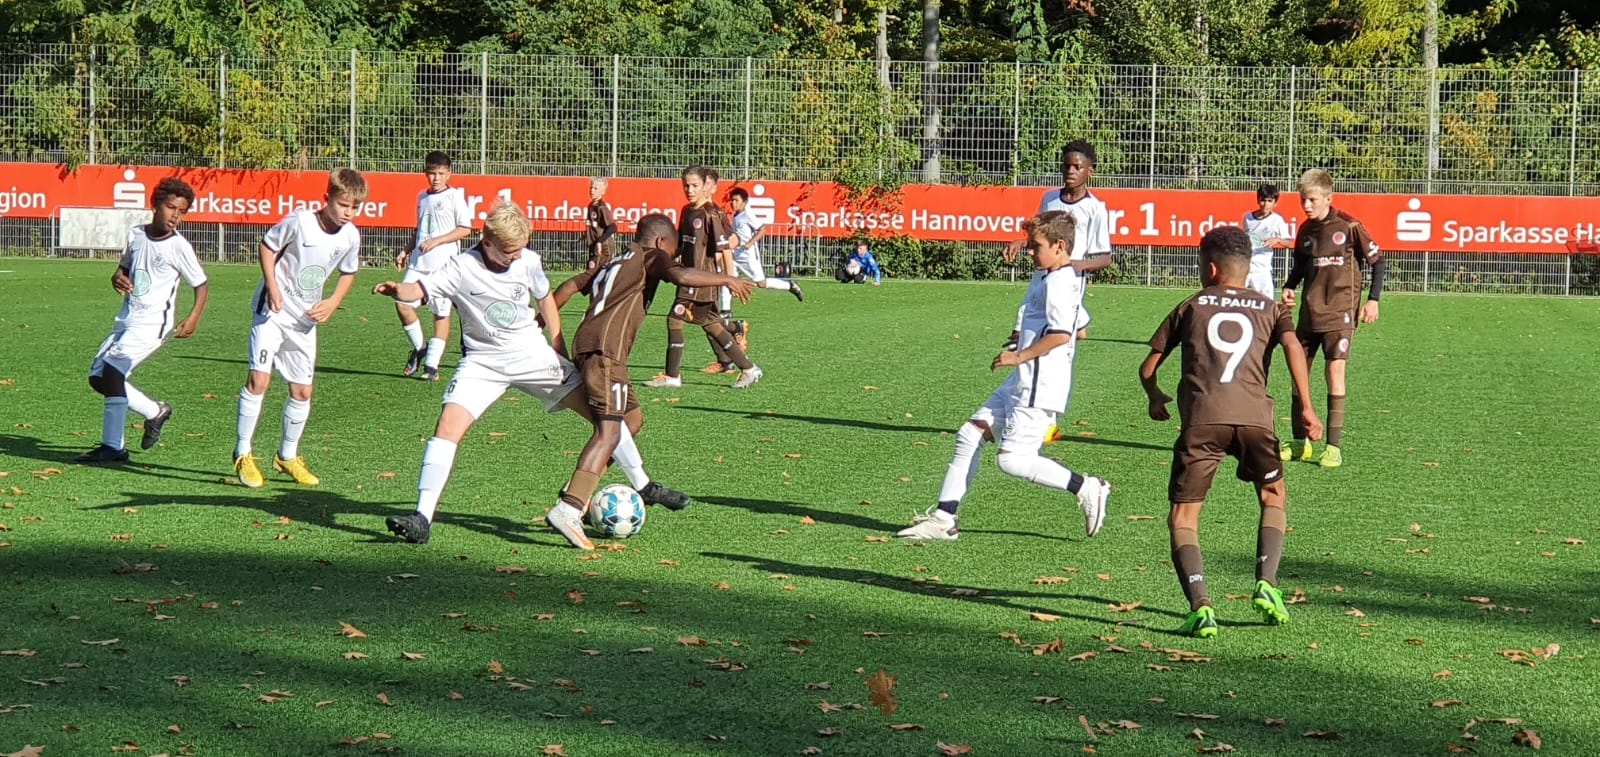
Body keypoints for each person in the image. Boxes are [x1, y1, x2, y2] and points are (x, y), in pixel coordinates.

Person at [373, 203, 692, 545]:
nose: (516, 256)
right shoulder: (461, 267)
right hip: (483, 363)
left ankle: (643, 484)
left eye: (520, 249)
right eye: (509, 251)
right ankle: (422, 518)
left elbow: (546, 300)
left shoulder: (527, 260)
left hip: (533, 356)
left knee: (606, 420)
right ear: (488, 241)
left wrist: (557, 344)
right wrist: (399, 291)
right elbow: (418, 290)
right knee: (447, 427)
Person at [1140, 226, 1324, 639]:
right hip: (1256, 419)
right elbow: (1293, 347)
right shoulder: (1271, 308)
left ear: (1209, 268)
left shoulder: (1191, 304)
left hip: (1203, 421)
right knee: (1273, 494)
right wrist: (1307, 407)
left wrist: (1154, 396)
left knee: (1183, 517)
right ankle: (1267, 583)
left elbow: (1148, 368)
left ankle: (1201, 606)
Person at [895, 210, 1110, 542]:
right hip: (1026, 378)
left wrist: (1020, 354)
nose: (1030, 251)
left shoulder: (1059, 282)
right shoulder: (1059, 276)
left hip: (1038, 384)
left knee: (1012, 462)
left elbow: (1062, 335)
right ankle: (943, 519)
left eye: (1036, 245)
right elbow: (1080, 328)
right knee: (970, 434)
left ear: (1059, 246)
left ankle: (1086, 487)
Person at [545, 213, 755, 550]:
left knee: (631, 420)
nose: (671, 257)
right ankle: (569, 508)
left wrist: (540, 318)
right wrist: (726, 280)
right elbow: (679, 275)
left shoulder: (614, 260)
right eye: (672, 250)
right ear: (660, 242)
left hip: (590, 347)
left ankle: (579, 493)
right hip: (606, 351)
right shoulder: (650, 255)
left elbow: (570, 286)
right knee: (608, 431)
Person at [232, 168, 366, 489]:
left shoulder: (351, 236)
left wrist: (333, 301)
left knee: (302, 391)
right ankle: (243, 453)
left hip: (305, 320)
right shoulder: (300, 221)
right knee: (259, 380)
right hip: (273, 311)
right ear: (327, 198)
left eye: (355, 207)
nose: (348, 212)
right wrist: (272, 285)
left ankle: (286, 456)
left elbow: (348, 272)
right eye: (343, 205)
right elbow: (267, 247)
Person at [77, 178, 209, 463]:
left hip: (153, 324)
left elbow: (201, 284)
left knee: (113, 372)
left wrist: (194, 316)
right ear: (155, 205)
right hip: (128, 318)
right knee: (98, 378)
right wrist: (117, 277)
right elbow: (123, 268)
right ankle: (155, 411)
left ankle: (113, 447)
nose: (175, 216)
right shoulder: (136, 234)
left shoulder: (179, 246)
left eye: (182, 212)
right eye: (171, 208)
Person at [1279, 168, 1386, 469]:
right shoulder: (1305, 230)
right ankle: (1300, 442)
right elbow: (1300, 267)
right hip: (1309, 313)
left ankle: (1333, 447)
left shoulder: (1350, 226)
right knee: (1298, 374)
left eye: (1312, 200)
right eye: (1302, 200)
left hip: (1340, 313)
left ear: (1328, 198)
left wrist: (1373, 300)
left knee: (1334, 371)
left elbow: (1378, 262)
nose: (1306, 205)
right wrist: (1289, 286)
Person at [644, 166, 762, 389]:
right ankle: (749, 368)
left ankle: (672, 376)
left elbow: (726, 249)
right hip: (687, 278)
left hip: (701, 280)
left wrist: (731, 279)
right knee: (712, 325)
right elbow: (680, 245)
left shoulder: (711, 214)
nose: (689, 190)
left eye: (694, 185)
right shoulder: (687, 211)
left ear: (704, 186)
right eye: (686, 185)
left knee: (675, 319)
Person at [1006, 141, 1112, 345]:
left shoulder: (1095, 208)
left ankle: (1075, 325)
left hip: (1069, 280)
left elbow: (1105, 258)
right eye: (1067, 166)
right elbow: (1039, 236)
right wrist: (1023, 242)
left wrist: (1078, 264)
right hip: (1043, 274)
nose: (1070, 171)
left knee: (1055, 334)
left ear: (1090, 171)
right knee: (1023, 329)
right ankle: (1075, 326)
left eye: (1077, 167)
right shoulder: (1050, 198)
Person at [395, 150, 474, 382]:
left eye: (441, 173)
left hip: (443, 267)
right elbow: (419, 229)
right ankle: (420, 348)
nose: (436, 178)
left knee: (441, 314)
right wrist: (406, 250)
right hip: (418, 264)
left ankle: (432, 365)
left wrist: (437, 241)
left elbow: (465, 229)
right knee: (401, 303)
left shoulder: (454, 197)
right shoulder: (422, 196)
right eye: (432, 173)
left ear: (449, 174)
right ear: (425, 173)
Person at [1242, 183, 1294, 298]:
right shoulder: (1248, 217)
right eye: (1263, 200)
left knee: (1267, 302)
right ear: (1258, 200)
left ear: (1275, 203)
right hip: (1245, 265)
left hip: (1262, 268)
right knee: (1236, 297)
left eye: (1270, 201)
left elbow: (1289, 243)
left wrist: (1277, 239)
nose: (1266, 204)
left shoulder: (1277, 220)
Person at [584, 177, 617, 271]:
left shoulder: (601, 207)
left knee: (592, 273)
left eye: (595, 188)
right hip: (594, 245)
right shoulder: (591, 205)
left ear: (603, 192)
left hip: (603, 246)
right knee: (592, 272)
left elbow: (613, 227)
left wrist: (600, 241)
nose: (592, 190)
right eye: (591, 188)